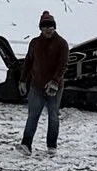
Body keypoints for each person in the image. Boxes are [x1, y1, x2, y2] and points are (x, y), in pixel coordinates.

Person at [21, 12, 68, 152]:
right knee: (32, 116)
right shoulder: (34, 43)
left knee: (53, 116)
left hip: (54, 88)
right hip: (36, 86)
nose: (48, 30)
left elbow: (63, 65)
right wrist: (22, 80)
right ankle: (26, 144)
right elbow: (28, 62)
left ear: (54, 28)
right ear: (40, 28)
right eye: (45, 27)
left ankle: (52, 145)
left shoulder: (61, 43)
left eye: (50, 27)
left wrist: (55, 81)